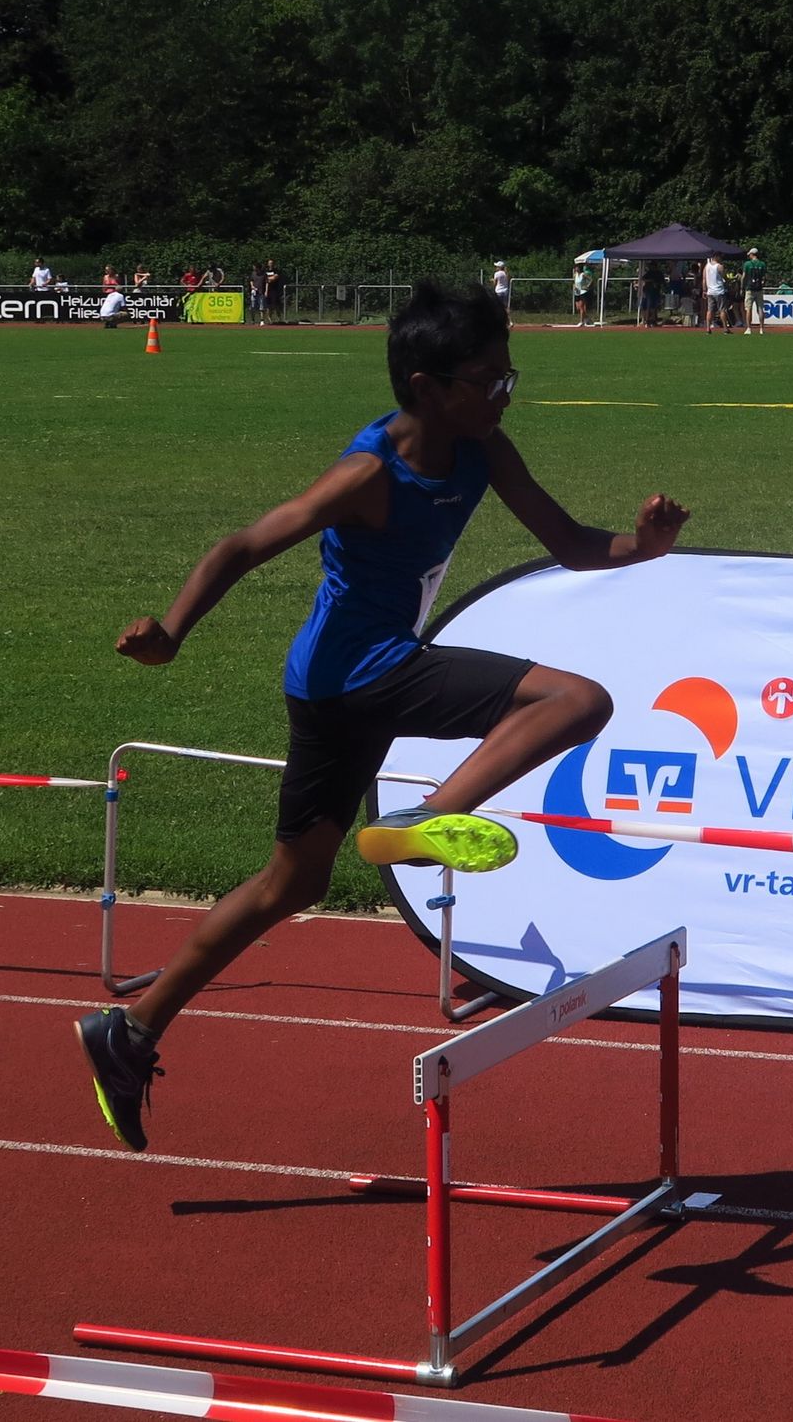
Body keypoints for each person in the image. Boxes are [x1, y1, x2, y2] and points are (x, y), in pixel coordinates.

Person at [76, 281, 690, 1152]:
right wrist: (171, 633)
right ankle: (425, 819)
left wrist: (644, 547)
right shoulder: (369, 472)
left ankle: (130, 1030)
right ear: (427, 385)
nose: (504, 393)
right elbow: (244, 544)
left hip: (339, 684)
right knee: (577, 698)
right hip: (358, 674)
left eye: (509, 375)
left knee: (292, 883)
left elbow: (571, 543)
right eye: (488, 379)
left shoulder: (482, 448)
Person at [742, 247, 767, 333]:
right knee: (760, 309)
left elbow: (744, 277)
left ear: (752, 254)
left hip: (750, 288)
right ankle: (761, 329)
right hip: (759, 289)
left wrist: (742, 287)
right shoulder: (762, 264)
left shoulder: (747, 264)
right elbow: (764, 277)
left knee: (748, 309)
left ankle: (749, 328)